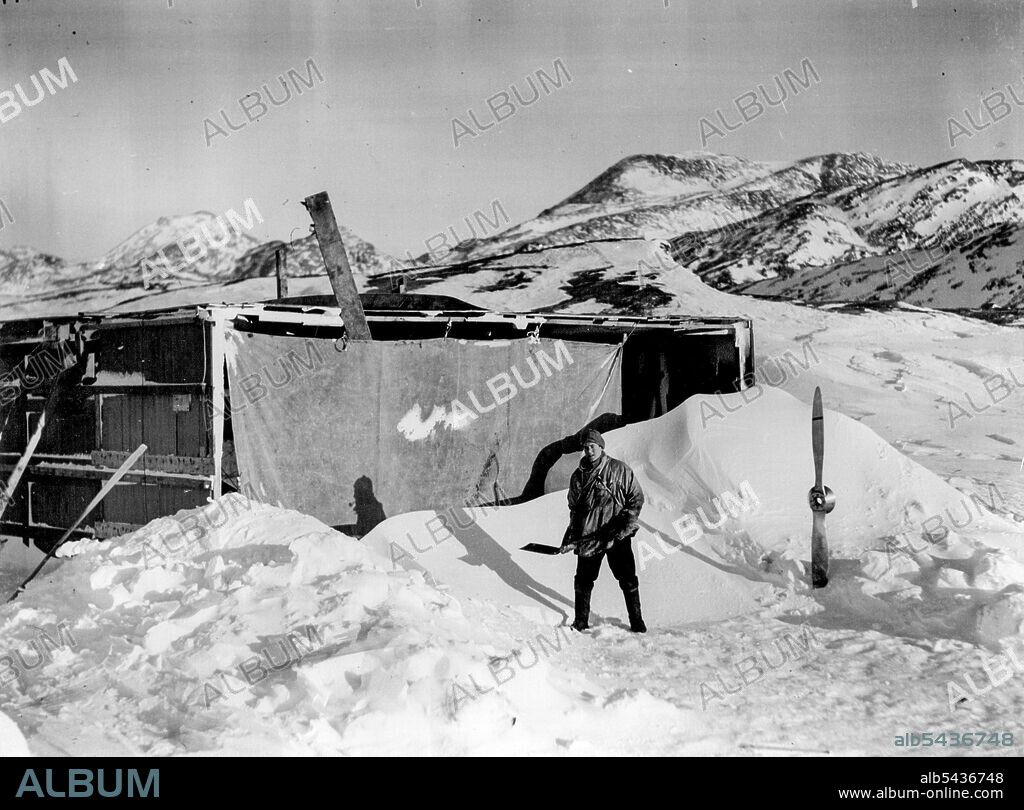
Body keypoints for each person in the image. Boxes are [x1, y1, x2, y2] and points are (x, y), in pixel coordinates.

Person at [559, 428, 646, 633]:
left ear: (601, 446)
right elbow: (574, 507)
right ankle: (581, 621)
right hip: (589, 536)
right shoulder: (578, 477)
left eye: (592, 446)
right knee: (583, 580)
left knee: (627, 579)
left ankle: (637, 621)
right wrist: (572, 533)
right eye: (586, 447)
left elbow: (636, 498)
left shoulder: (619, 470)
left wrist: (625, 523)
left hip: (616, 535)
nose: (589, 450)